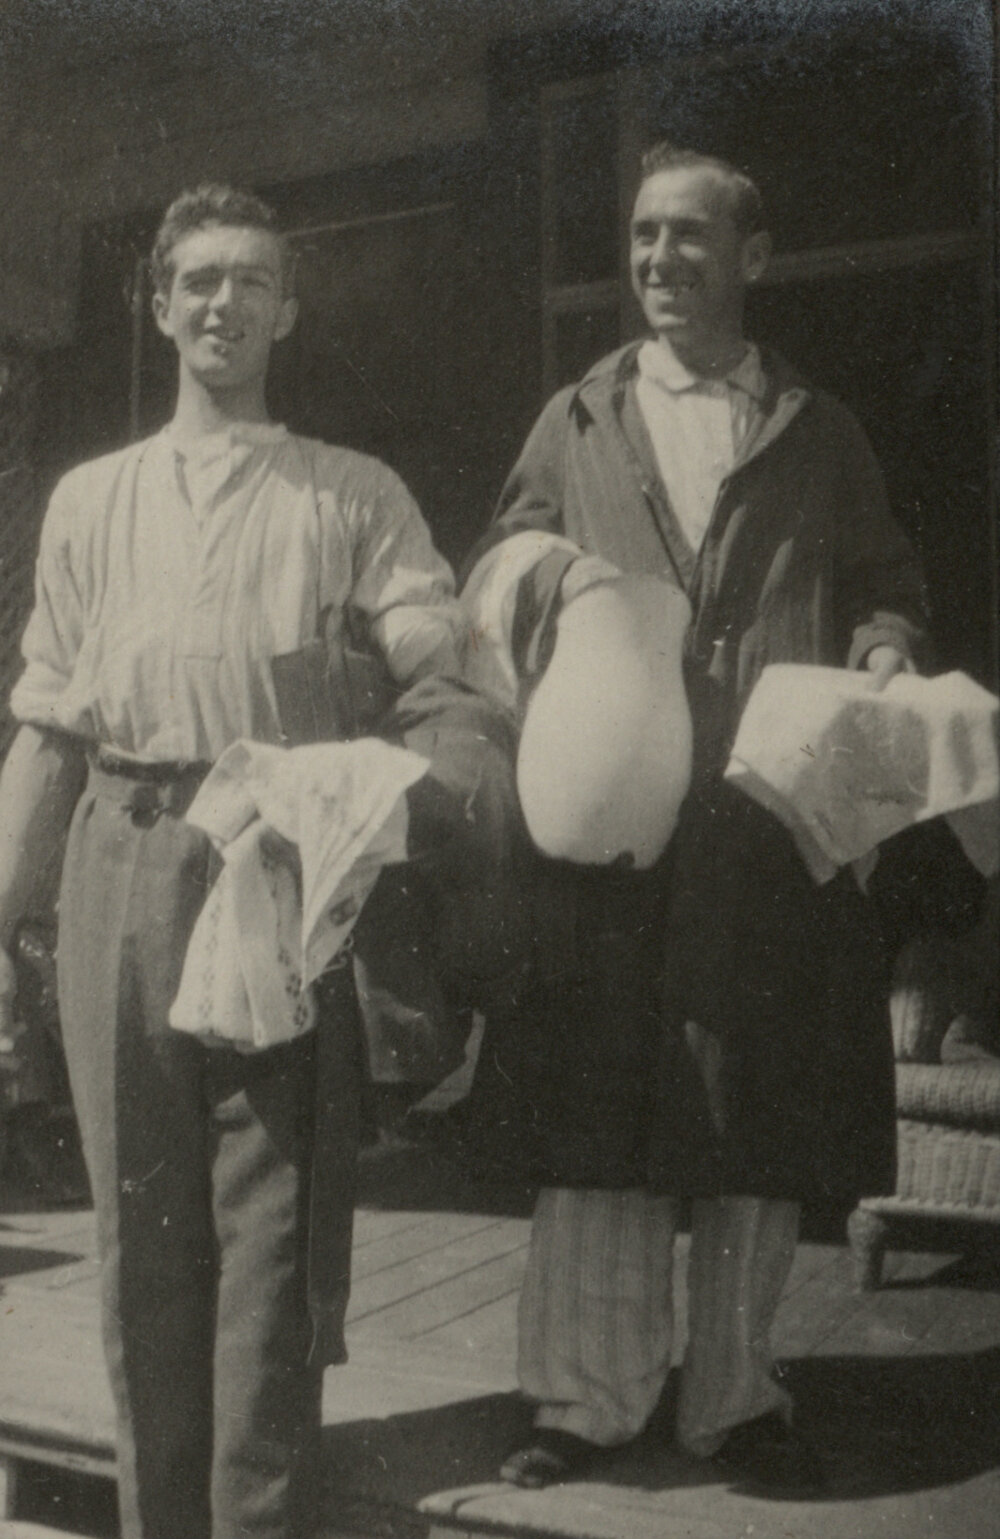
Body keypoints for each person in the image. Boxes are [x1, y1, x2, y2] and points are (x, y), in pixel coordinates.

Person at [458, 143, 930, 1494]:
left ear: (755, 258)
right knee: (599, 1109)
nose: (659, 261)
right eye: (643, 238)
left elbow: (889, 582)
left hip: (760, 821)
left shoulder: (819, 427)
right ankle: (587, 1406)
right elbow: (501, 564)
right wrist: (541, 575)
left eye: (689, 238)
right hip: (613, 823)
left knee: (754, 1114)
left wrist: (888, 651)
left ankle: (732, 1397)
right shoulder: (578, 414)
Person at [0, 184, 470, 1539]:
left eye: (252, 281)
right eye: (199, 279)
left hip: (279, 861)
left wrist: (467, 646)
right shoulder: (90, 502)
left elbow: (435, 645)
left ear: (288, 310)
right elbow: (45, 728)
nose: (224, 302)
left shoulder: (351, 490)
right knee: (139, 1238)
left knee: (268, 1239)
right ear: (160, 305)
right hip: (123, 858)